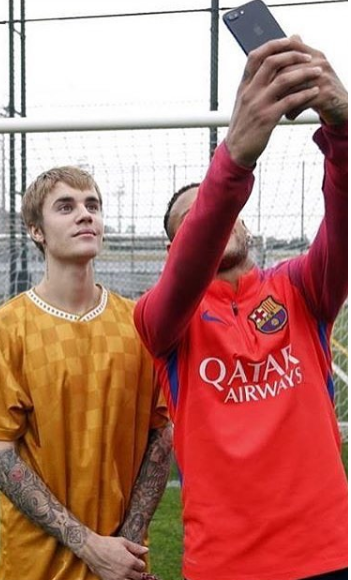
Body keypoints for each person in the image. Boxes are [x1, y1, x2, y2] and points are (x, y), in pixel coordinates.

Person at [134, 37, 348, 580]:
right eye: (192, 217)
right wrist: (233, 159)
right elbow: (190, 266)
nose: (214, 219)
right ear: (175, 247)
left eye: (227, 211)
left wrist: (344, 133)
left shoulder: (301, 289)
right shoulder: (160, 322)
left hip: (329, 553)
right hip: (226, 566)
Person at [0, 166, 172, 580]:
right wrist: (90, 545)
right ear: (37, 230)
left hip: (123, 561)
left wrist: (121, 547)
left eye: (92, 205)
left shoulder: (139, 324)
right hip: (36, 565)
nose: (85, 214)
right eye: (66, 206)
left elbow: (161, 435)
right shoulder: (3, 331)